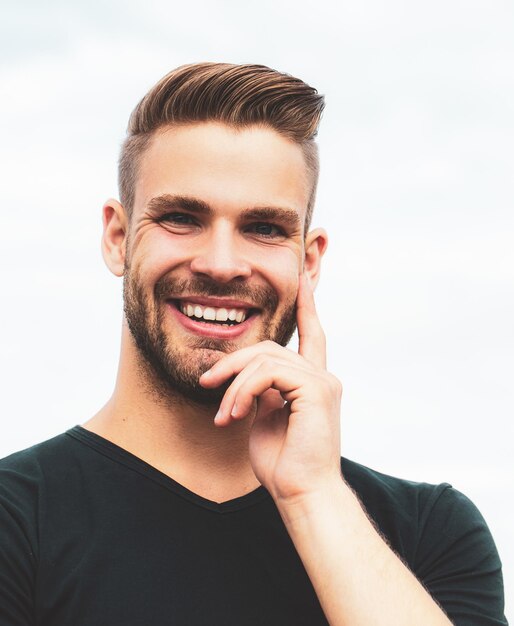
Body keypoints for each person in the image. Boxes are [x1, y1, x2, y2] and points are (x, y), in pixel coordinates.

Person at [0, 63, 507, 626]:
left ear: (308, 262)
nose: (221, 265)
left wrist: (313, 497)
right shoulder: (17, 518)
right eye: (180, 218)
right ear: (118, 239)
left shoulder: (429, 532)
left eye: (264, 228)